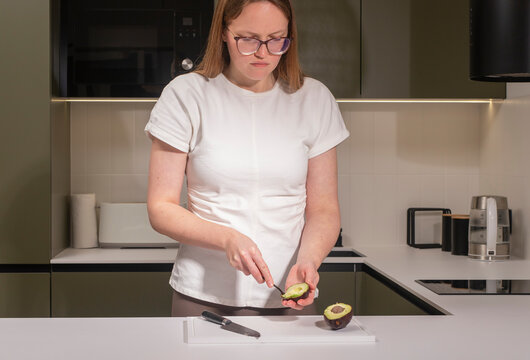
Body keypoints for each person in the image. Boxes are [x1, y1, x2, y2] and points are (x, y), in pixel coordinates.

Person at [145, 0, 350, 317]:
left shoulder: (315, 99)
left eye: (276, 39)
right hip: (203, 294)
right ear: (224, 33)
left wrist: (308, 260)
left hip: (288, 295)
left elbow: (323, 208)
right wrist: (227, 238)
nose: (263, 52)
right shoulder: (186, 96)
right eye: (249, 39)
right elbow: (161, 209)